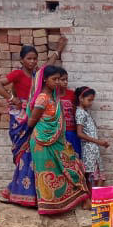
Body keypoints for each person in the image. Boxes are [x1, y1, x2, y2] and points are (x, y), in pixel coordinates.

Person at [0, 40, 66, 208]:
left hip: (34, 115)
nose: (32, 62)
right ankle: (14, 191)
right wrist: (12, 99)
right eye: (29, 59)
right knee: (24, 155)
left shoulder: (38, 74)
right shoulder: (17, 74)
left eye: (35, 59)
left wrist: (58, 51)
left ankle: (22, 192)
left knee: (32, 154)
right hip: (21, 119)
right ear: (22, 60)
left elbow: (48, 65)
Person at [28, 65, 89, 217]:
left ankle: (74, 200)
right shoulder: (42, 98)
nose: (57, 82)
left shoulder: (54, 98)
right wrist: (47, 126)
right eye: (54, 79)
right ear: (44, 80)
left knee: (72, 166)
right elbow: (31, 122)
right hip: (41, 142)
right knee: (46, 174)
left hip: (58, 140)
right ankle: (49, 207)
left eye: (58, 79)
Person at [74, 85, 110, 187]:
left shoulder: (85, 112)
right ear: (81, 98)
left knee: (99, 176)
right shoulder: (80, 113)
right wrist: (99, 142)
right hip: (88, 150)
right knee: (92, 178)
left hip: (93, 149)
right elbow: (79, 133)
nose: (91, 103)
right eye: (89, 100)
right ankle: (92, 201)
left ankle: (95, 201)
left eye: (92, 100)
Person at [59, 72, 82, 158]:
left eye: (66, 80)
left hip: (72, 131)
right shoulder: (53, 96)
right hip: (58, 132)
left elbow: (77, 111)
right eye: (62, 80)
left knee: (74, 157)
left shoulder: (72, 94)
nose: (65, 82)